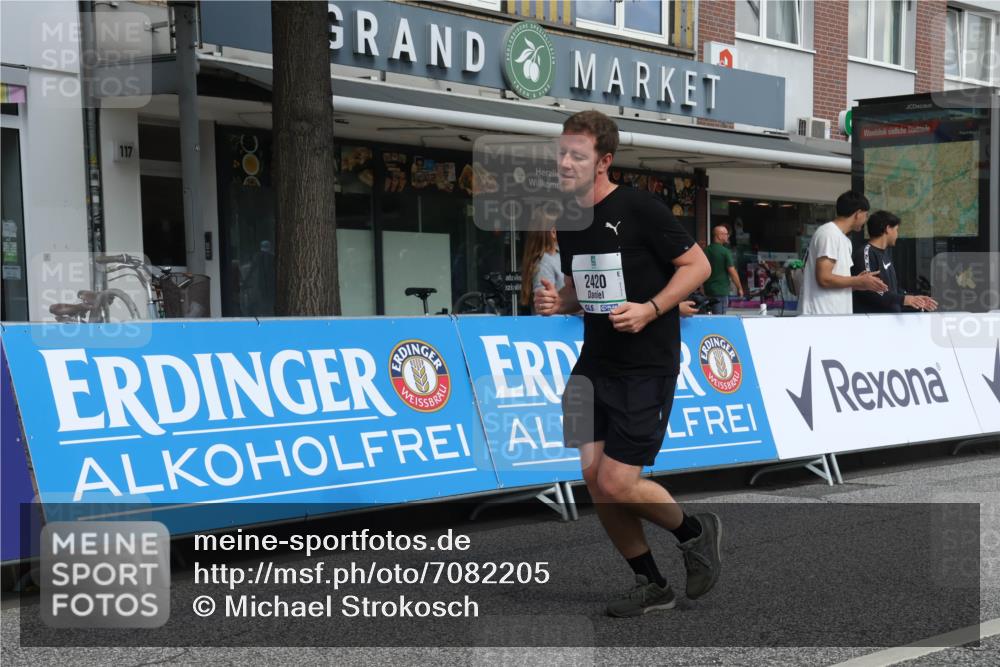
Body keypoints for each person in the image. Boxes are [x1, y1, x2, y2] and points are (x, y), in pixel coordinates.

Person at [534, 110, 721, 617]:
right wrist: (561, 303)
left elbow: (698, 265)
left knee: (617, 481)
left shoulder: (640, 208)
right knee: (595, 480)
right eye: (561, 153)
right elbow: (584, 288)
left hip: (646, 365)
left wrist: (653, 308)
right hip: (593, 364)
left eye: (577, 154)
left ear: (604, 161)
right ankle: (651, 583)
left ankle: (695, 532)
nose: (565, 162)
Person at [799, 191, 888, 315]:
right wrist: (856, 281)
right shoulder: (829, 234)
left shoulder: (844, 240)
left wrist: (860, 283)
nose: (865, 220)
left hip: (836, 316)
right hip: (821, 316)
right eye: (866, 215)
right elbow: (824, 279)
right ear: (858, 213)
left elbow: (836, 281)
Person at [852, 211, 938, 314]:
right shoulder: (866, 253)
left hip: (890, 321)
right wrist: (903, 299)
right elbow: (870, 291)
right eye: (896, 230)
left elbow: (892, 290)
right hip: (873, 323)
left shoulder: (884, 253)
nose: (897, 234)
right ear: (888, 229)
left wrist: (914, 299)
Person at [520, 212, 564, 314]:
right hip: (556, 326)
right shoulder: (545, 262)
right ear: (553, 232)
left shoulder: (554, 257)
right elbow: (544, 308)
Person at [703, 224, 743, 314]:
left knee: (709, 317)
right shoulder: (725, 252)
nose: (727, 236)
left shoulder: (705, 250)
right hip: (720, 291)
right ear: (719, 236)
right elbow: (732, 271)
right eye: (726, 234)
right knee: (719, 318)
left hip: (708, 290)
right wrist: (739, 288)